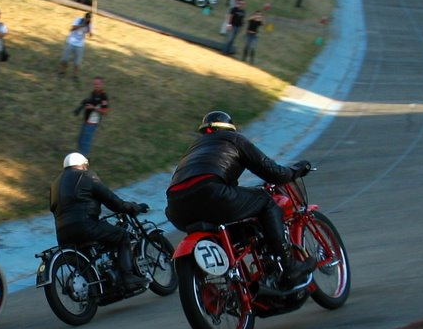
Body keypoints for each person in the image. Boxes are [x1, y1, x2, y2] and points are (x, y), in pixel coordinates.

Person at [165, 112, 315, 290]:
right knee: (265, 202)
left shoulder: (193, 149)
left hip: (175, 207)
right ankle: (290, 266)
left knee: (228, 219)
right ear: (230, 128)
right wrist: (295, 171)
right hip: (212, 193)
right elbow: (273, 172)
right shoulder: (234, 139)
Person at [50, 152, 147, 290]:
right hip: (86, 226)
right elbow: (112, 201)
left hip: (62, 233)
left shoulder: (55, 185)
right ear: (83, 165)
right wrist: (131, 207)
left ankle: (100, 285)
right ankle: (128, 278)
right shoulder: (87, 176)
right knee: (122, 236)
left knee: (89, 255)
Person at [73, 76, 109, 156]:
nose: (96, 85)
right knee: (80, 140)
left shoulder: (104, 97)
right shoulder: (93, 93)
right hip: (86, 121)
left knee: (85, 142)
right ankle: (80, 156)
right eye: (94, 84)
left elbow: (105, 111)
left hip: (92, 123)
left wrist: (93, 108)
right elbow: (90, 102)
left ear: (102, 84)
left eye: (98, 84)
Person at [59, 11, 93, 80]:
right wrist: (82, 25)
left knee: (77, 62)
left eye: (89, 19)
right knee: (65, 59)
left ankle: (75, 76)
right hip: (71, 41)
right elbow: (71, 29)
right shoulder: (78, 20)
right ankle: (62, 72)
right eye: (86, 18)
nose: (87, 20)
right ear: (84, 17)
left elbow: (91, 35)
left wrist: (90, 28)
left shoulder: (90, 24)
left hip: (80, 45)